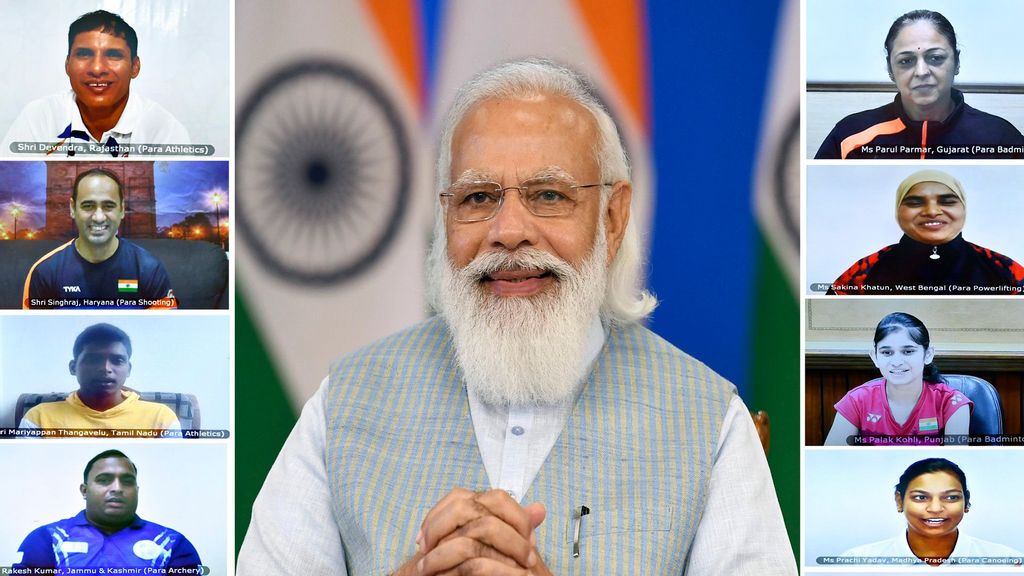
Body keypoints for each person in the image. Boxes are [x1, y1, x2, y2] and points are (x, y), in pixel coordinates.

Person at [236, 59, 795, 575]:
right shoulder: (347, 401)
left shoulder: (708, 420)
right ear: (444, 215)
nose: (508, 231)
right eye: (477, 198)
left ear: (614, 216)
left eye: (548, 195)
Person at [815, 10, 1024, 159]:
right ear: (890, 69)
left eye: (935, 58)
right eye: (906, 61)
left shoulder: (1000, 139)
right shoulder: (850, 136)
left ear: (957, 62)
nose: (922, 72)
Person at [1, 10, 189, 157]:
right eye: (84, 54)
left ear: (135, 67)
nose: (97, 68)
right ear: (67, 65)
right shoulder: (39, 117)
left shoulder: (164, 130)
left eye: (114, 55)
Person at [828, 170, 1024, 295]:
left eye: (947, 201)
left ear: (964, 209)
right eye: (914, 202)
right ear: (898, 211)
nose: (931, 211)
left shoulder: (1004, 270)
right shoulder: (865, 271)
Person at [12, 450, 202, 571]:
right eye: (104, 480)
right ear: (84, 491)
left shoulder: (171, 543)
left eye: (127, 481)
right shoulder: (47, 538)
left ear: (136, 491)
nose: (117, 488)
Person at [23, 167, 177, 309]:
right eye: (88, 206)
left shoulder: (150, 269)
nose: (98, 217)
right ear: (72, 208)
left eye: (108, 206)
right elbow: (32, 335)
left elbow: (166, 334)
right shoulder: (44, 272)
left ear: (122, 209)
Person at [824, 312, 972, 446]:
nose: (896, 361)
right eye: (887, 352)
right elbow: (830, 461)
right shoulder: (856, 400)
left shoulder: (952, 403)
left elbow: (953, 463)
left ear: (928, 354)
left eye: (908, 351)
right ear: (874, 357)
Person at [840, 458, 1022, 565]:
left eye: (951, 497)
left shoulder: (1009, 562)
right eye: (920, 497)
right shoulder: (857, 562)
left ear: (966, 502)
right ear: (899, 500)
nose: (935, 509)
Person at [18, 323, 181, 433]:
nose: (105, 369)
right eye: (93, 359)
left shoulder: (161, 418)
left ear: (128, 369)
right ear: (73, 367)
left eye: (117, 360)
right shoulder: (38, 418)